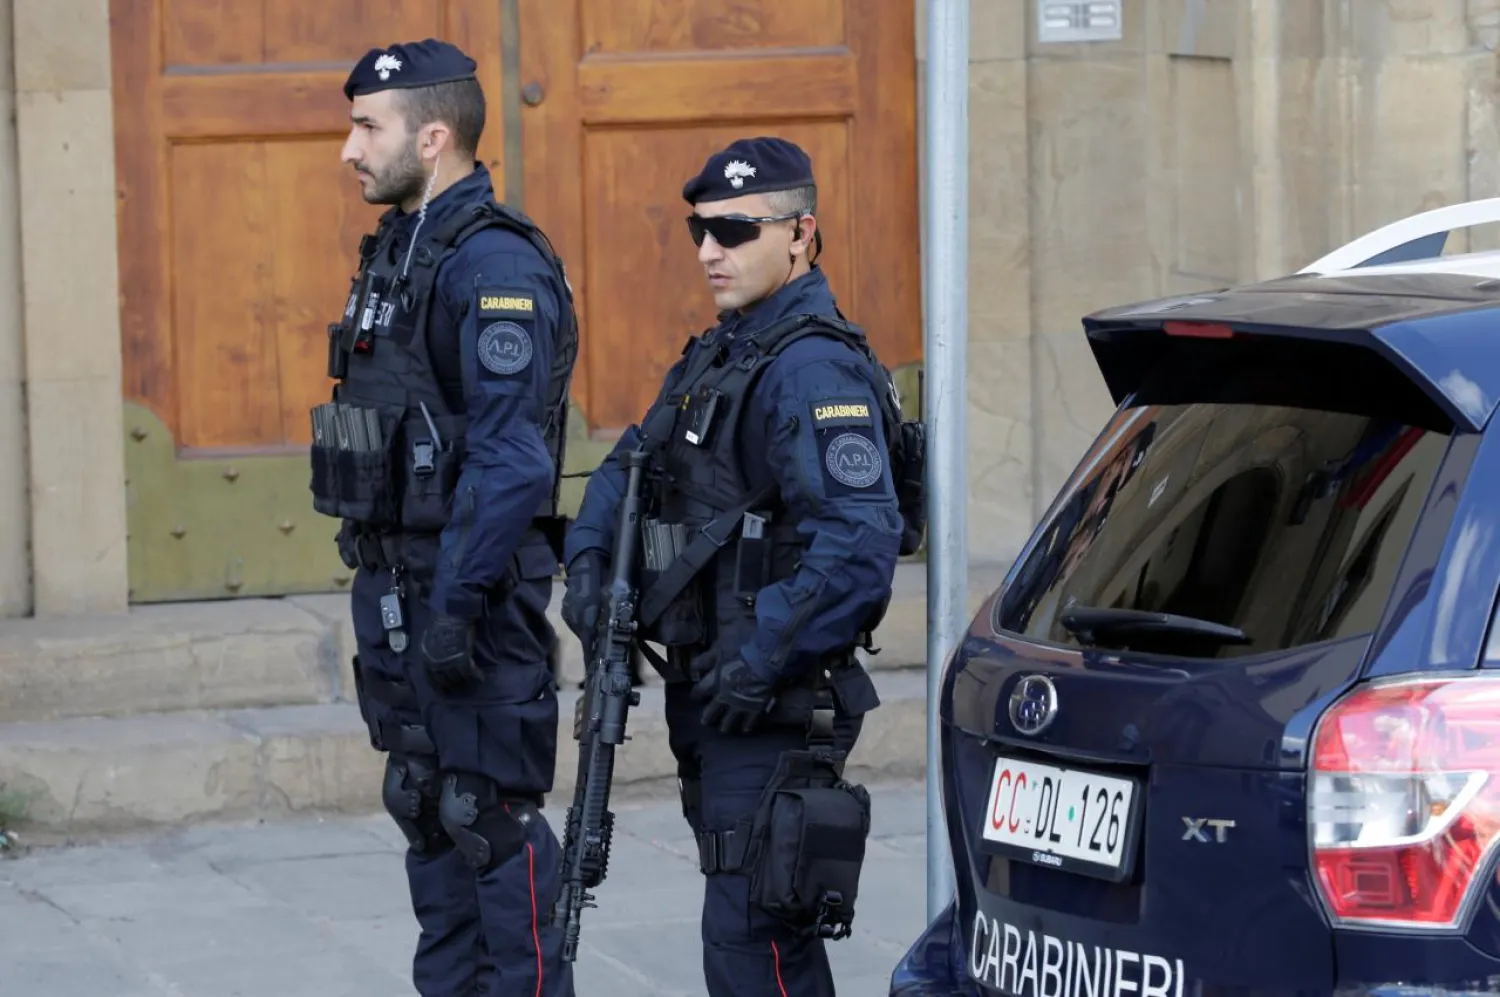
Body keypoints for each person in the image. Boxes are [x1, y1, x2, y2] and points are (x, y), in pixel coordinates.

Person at [560, 136, 920, 996]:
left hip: (775, 701)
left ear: (801, 235)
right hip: (718, 693)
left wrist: (758, 661)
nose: (710, 251)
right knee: (749, 929)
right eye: (699, 231)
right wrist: (586, 564)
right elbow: (630, 467)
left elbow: (859, 542)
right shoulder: (726, 351)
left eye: (733, 230)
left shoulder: (813, 367)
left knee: (755, 941)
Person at [310, 38, 577, 997]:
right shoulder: (399, 248)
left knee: (487, 816)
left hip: (469, 599)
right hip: (398, 594)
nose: (348, 148)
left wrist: (459, 604)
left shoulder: (492, 264)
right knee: (425, 804)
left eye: (366, 127)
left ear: (432, 137)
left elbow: (510, 459)